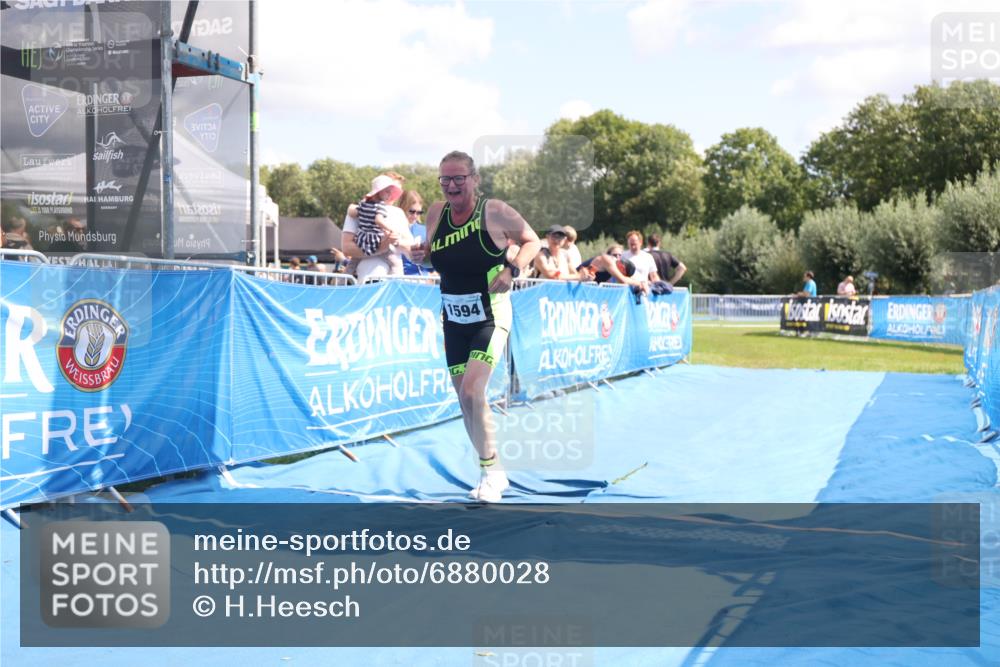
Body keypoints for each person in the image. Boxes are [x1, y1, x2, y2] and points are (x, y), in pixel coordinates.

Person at [426, 150, 541, 502]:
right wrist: (420, 253)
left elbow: (532, 240)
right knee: (466, 401)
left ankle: (491, 474)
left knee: (474, 392)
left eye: (459, 178)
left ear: (475, 180)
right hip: (454, 319)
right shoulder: (436, 213)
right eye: (445, 179)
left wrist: (512, 270)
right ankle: (492, 468)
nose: (452, 185)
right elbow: (433, 252)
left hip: (491, 314)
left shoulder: (493, 211)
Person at [342, 174, 418, 282]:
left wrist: (395, 241)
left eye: (396, 191)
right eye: (389, 190)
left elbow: (410, 249)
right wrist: (382, 246)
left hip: (394, 277)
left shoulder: (399, 213)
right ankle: (339, 286)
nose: (392, 194)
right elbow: (347, 249)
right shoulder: (360, 208)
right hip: (369, 275)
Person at [348, 174, 404, 275]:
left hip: (361, 240)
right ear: (379, 192)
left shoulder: (363, 204)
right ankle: (398, 283)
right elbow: (379, 220)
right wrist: (391, 229)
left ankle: (340, 283)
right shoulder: (380, 206)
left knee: (352, 264)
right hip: (374, 241)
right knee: (395, 264)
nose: (389, 195)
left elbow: (353, 213)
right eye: (387, 192)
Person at [398, 190, 434, 276]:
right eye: (412, 211)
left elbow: (433, 262)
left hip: (423, 280)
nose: (415, 216)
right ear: (403, 208)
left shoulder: (425, 230)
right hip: (400, 279)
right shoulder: (393, 228)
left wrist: (432, 274)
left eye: (419, 212)